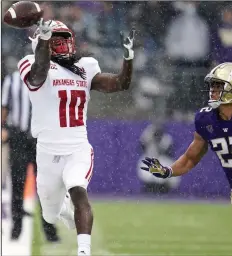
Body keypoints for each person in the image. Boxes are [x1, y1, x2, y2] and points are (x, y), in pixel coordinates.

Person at [17, 19, 135, 256]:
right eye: (55, 40)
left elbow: (120, 84)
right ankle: (64, 210)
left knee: (78, 190)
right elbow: (38, 75)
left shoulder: (86, 66)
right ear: (43, 43)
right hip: (48, 152)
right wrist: (43, 41)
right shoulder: (31, 63)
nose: (62, 45)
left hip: (77, 147)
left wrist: (129, 57)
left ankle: (84, 252)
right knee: (49, 215)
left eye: (63, 39)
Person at [141, 62, 232, 256]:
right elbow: (191, 157)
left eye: (218, 86)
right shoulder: (206, 119)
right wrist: (168, 171)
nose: (213, 91)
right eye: (212, 86)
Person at [1, 70, 60, 242]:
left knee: (45, 186)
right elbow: (4, 107)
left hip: (41, 138)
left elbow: (54, 107)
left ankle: (49, 230)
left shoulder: (47, 80)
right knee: (18, 184)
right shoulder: (12, 80)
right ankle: (16, 228)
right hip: (18, 136)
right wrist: (3, 128)